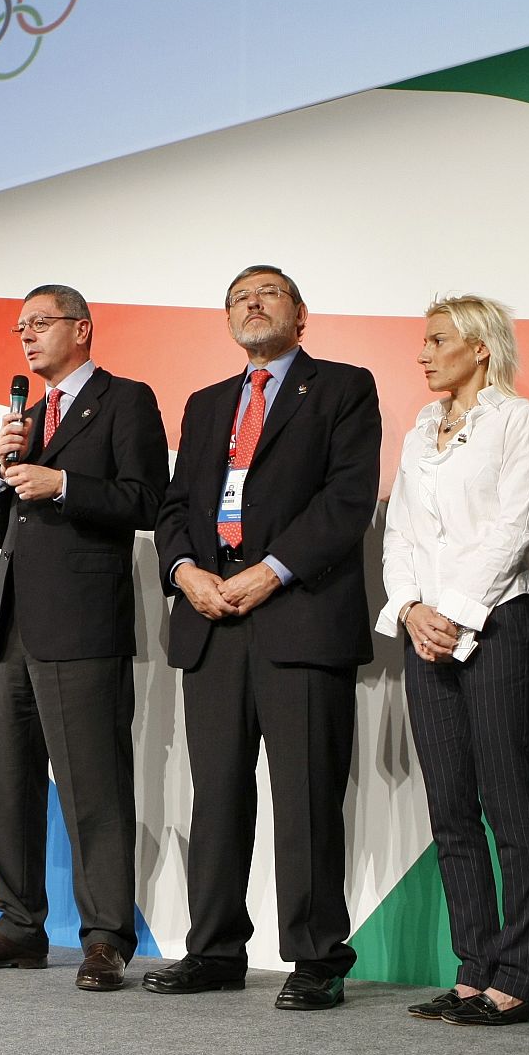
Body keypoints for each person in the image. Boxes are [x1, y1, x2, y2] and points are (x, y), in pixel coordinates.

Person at [149, 264, 380, 1010]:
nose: (253, 302)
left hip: (298, 615)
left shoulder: (343, 387)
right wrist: (185, 571)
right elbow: (178, 504)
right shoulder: (207, 402)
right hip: (211, 618)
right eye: (239, 296)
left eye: (269, 292)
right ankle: (214, 949)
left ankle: (316, 956)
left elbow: (346, 502)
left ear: (301, 314)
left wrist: (271, 571)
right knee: (215, 794)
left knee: (307, 794)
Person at [0, 284, 168, 992]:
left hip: (82, 619)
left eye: (40, 324)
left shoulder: (125, 400)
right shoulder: (25, 419)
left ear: (83, 329)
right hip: (12, 622)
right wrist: (6, 482)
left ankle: (105, 937)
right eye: (20, 328)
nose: (28, 337)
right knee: (8, 788)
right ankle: (18, 926)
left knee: (93, 787)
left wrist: (63, 481)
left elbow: (147, 498)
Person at [376, 294, 529, 1027]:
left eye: (437, 340)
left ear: (480, 348)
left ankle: (518, 975)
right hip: (427, 632)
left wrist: (455, 612)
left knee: (509, 805)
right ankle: (473, 970)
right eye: (422, 341)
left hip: (496, 623)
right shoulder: (421, 428)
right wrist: (413, 609)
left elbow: (516, 526)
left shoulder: (518, 418)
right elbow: (401, 533)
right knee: (450, 810)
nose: (422, 353)